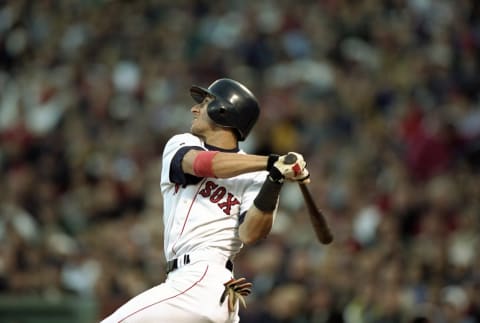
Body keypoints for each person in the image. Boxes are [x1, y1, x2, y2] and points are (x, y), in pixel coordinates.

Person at [101, 78, 310, 323]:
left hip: (205, 280)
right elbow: (205, 164)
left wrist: (274, 179)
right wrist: (269, 162)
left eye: (206, 101)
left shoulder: (257, 176)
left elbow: (252, 233)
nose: (195, 108)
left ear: (223, 111)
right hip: (195, 286)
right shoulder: (183, 143)